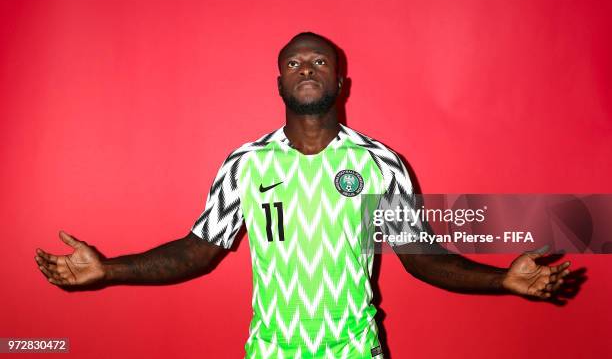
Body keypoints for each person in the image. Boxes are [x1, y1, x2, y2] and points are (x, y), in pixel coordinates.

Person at [35, 32, 571, 358]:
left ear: (341, 82)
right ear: (278, 83)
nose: (307, 69)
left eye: (319, 62)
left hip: (354, 351)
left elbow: (422, 259)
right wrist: (110, 269)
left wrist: (501, 278)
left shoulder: (379, 162)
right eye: (294, 63)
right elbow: (199, 250)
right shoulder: (246, 163)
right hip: (269, 352)